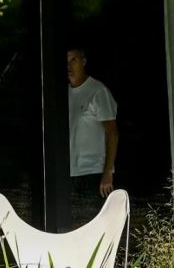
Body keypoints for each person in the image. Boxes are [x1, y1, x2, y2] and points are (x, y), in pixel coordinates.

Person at [65, 46, 117, 226]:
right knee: (71, 228)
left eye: (73, 60)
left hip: (93, 172)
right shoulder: (62, 94)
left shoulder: (97, 91)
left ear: (84, 62)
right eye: (66, 61)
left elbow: (112, 132)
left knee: (94, 226)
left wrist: (107, 172)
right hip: (69, 173)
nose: (69, 65)